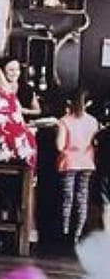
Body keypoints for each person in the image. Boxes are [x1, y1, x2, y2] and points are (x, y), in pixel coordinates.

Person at [55, 94, 99, 243]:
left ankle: (64, 231)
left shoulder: (64, 121)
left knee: (67, 197)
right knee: (82, 196)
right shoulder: (93, 121)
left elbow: (59, 146)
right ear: (89, 103)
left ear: (69, 101)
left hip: (68, 162)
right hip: (87, 162)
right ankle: (78, 233)